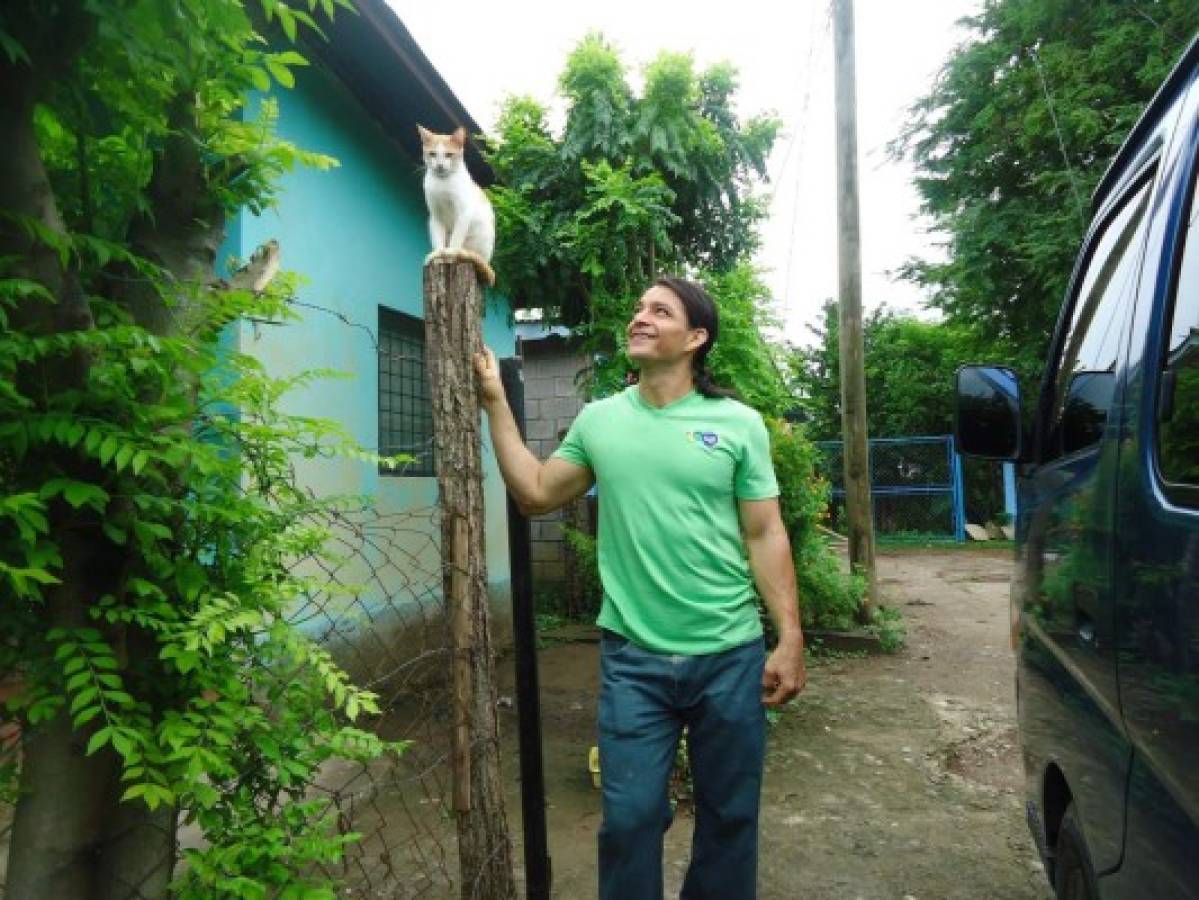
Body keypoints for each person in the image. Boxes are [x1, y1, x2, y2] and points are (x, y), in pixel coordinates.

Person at [473, 276, 806, 899]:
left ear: (696, 337)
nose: (640, 318)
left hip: (729, 655)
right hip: (633, 659)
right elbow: (537, 492)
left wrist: (789, 636)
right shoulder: (602, 420)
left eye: (660, 310)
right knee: (628, 821)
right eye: (638, 308)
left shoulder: (737, 424)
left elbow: (765, 533)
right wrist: (495, 402)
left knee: (730, 819)